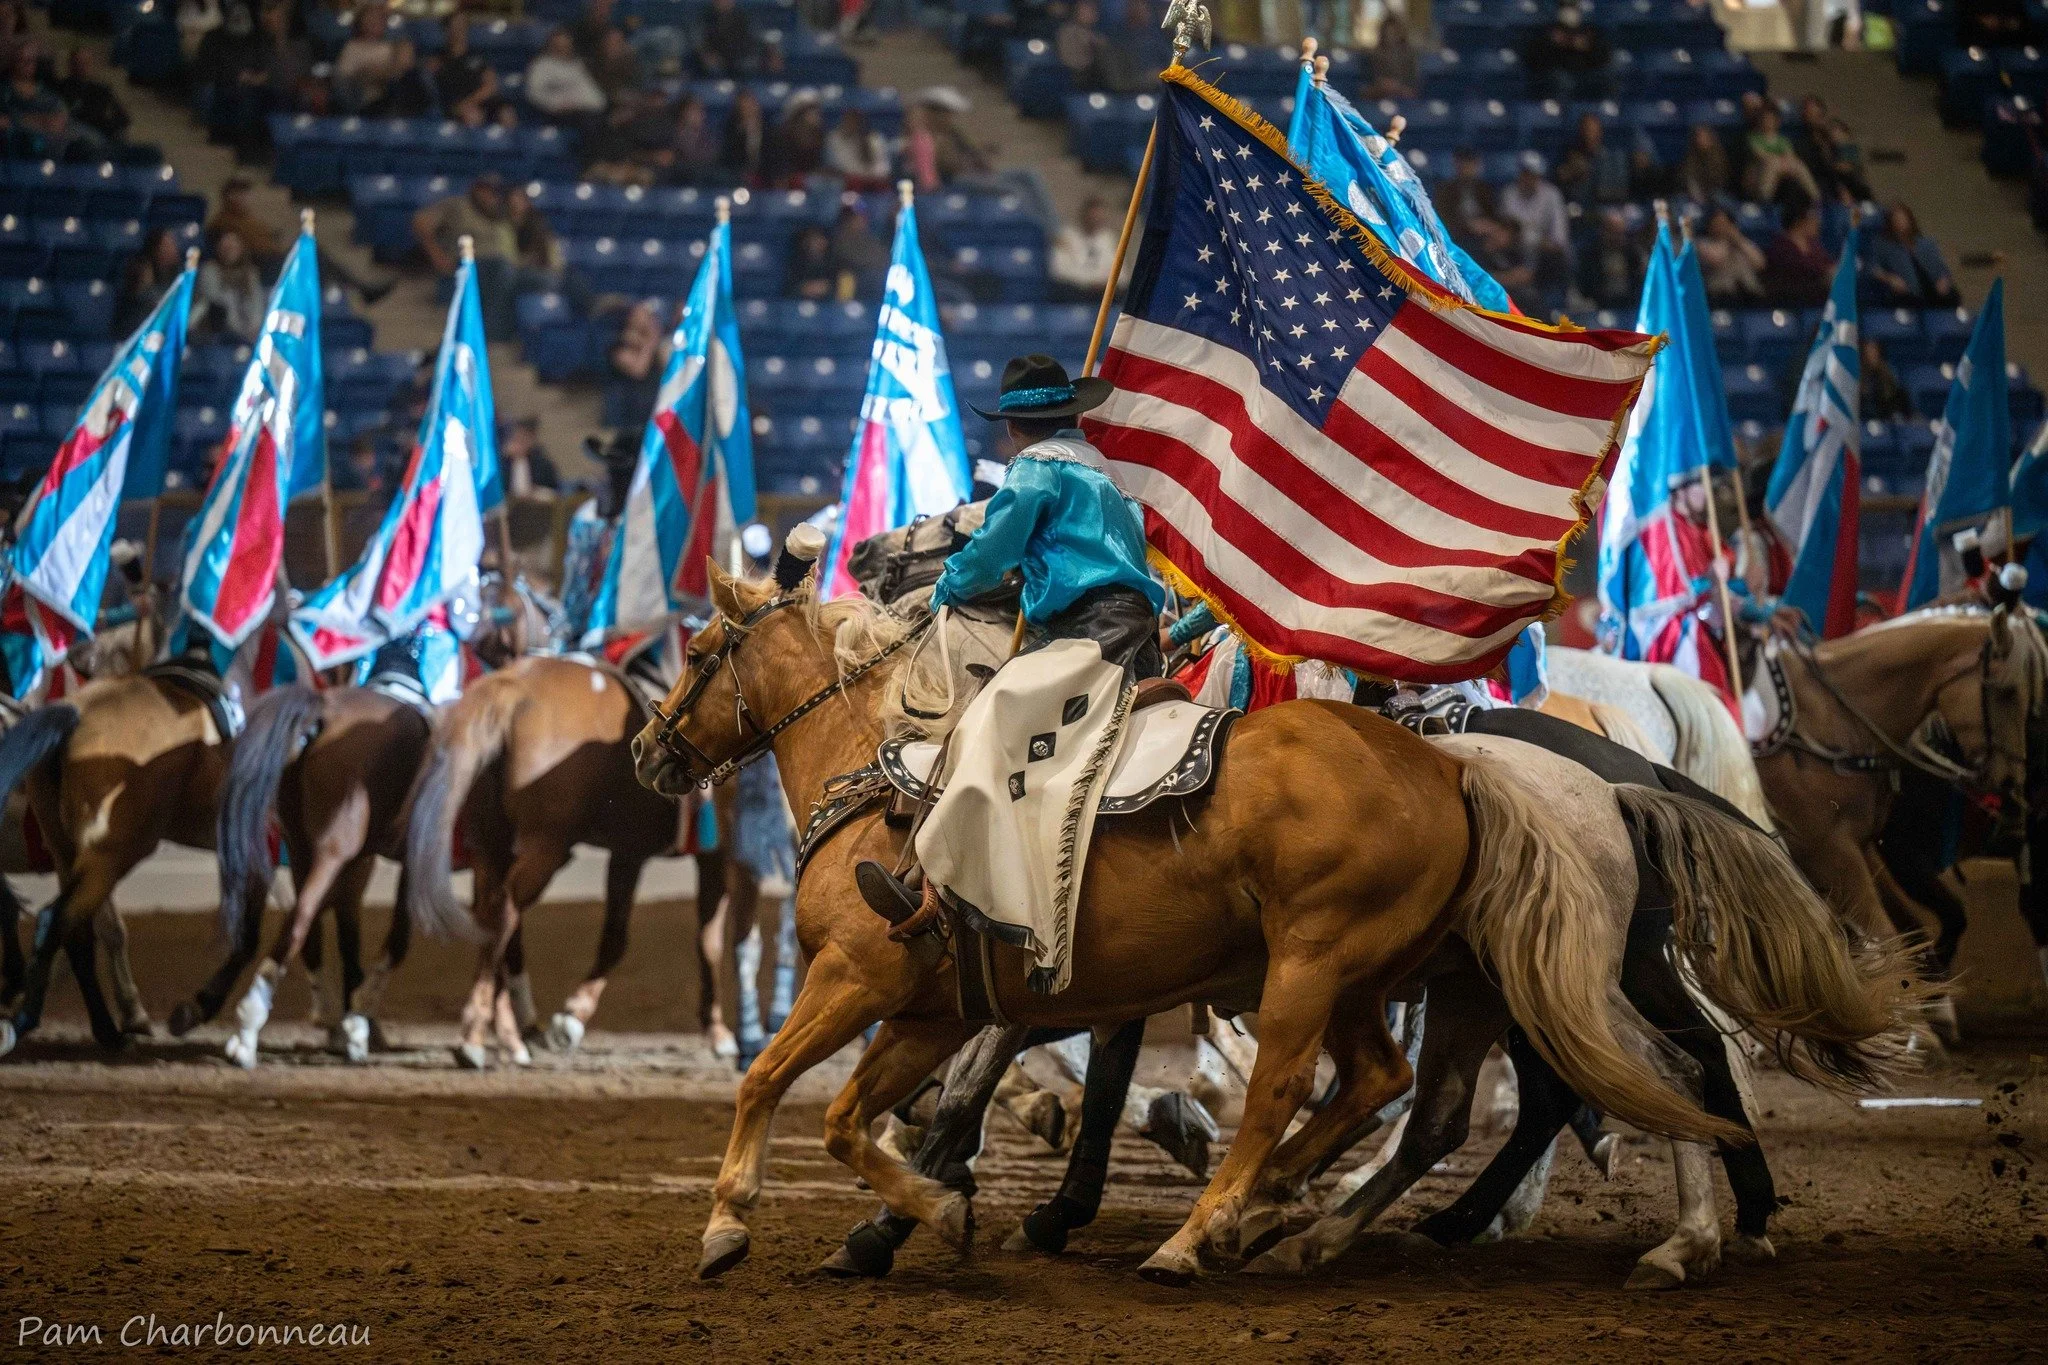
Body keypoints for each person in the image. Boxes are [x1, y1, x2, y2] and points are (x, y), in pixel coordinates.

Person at [853, 355, 1165, 928]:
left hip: (1089, 627)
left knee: (985, 722)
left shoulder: (1034, 469)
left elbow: (994, 547)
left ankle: (941, 888)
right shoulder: (1102, 470)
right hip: (1137, 629)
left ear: (1013, 427)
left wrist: (948, 583)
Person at [1498, 150, 1571, 305]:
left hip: (1544, 257)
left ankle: (1561, 302)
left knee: (1559, 258)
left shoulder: (1552, 195)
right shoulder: (1509, 194)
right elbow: (1509, 233)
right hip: (1517, 253)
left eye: (1533, 174)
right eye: (1525, 173)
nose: (1529, 178)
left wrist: (1534, 240)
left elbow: (1559, 240)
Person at [1862, 201, 1959, 307]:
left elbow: (1942, 268)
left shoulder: (1926, 244)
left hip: (1934, 290)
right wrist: (1890, 279)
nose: (1901, 222)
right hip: (1908, 294)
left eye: (1903, 218)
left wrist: (1944, 279)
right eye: (1897, 219)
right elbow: (1872, 268)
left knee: (1952, 295)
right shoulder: (1884, 246)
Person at [332, 5, 415, 115]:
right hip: (364, 99)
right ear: (361, 21)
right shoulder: (352, 47)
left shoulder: (392, 47)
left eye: (379, 18)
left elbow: (402, 70)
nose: (375, 22)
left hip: (392, 94)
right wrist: (374, 73)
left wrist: (385, 72)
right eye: (370, 18)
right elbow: (346, 77)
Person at [1524, 0, 1611, 101]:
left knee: (1608, 74)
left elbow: (1603, 54)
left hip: (1586, 67)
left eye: (1573, 6)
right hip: (1558, 69)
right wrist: (1555, 44)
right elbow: (1534, 58)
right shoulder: (1547, 28)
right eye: (1566, 6)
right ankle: (1561, 113)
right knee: (1563, 81)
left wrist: (1586, 47)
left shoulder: (1589, 28)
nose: (1570, 12)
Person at [193, 230, 267, 342]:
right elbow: (218, 304)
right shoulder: (209, 270)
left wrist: (255, 328)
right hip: (221, 335)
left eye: (234, 246)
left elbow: (257, 303)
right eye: (226, 246)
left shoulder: (250, 273)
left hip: (251, 334)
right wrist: (242, 333)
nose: (230, 250)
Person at [1744, 102, 1820, 211]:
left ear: (1777, 121)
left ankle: (1816, 199)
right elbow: (1761, 156)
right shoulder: (1753, 138)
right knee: (1772, 163)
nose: (1768, 122)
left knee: (1798, 164)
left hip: (1781, 174)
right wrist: (1779, 162)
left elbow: (1789, 156)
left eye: (1771, 119)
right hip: (1757, 175)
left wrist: (1782, 164)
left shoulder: (1782, 140)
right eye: (1765, 119)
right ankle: (1764, 201)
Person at [608, 299, 669, 432]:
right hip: (631, 411)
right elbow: (639, 369)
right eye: (643, 315)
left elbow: (666, 366)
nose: (649, 320)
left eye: (650, 316)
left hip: (654, 405)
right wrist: (651, 339)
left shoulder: (656, 344)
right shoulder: (620, 347)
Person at [1554, 112, 1637, 209]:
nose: (1588, 135)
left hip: (1609, 209)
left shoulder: (1614, 159)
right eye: (1585, 130)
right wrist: (1572, 176)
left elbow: (1618, 191)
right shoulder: (1568, 157)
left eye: (1591, 131)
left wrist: (1588, 172)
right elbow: (1558, 190)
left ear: (1600, 133)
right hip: (1577, 209)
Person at [432, 11, 499, 127]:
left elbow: (491, 86)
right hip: (453, 107)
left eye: (463, 25)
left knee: (506, 113)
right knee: (472, 115)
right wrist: (461, 106)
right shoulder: (438, 60)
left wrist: (471, 102)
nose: (460, 29)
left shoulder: (477, 58)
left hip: (477, 103)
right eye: (456, 25)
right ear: (447, 30)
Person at [1763, 200, 1834, 307]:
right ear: (1798, 221)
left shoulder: (1814, 245)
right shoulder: (1781, 246)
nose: (1817, 222)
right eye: (1811, 218)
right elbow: (1799, 269)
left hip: (1818, 297)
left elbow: (1828, 264)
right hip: (1791, 299)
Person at [524, 28, 606, 122]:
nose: (562, 49)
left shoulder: (577, 65)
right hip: (553, 114)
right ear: (551, 46)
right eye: (558, 46)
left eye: (565, 45)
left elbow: (595, 97)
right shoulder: (540, 66)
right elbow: (533, 93)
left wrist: (588, 105)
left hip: (582, 111)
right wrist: (556, 105)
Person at [116, 227, 184, 335]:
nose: (173, 248)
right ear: (155, 249)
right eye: (167, 245)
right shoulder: (141, 270)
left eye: (173, 244)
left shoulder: (179, 274)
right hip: (137, 333)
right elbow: (141, 302)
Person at [1049, 195, 1117, 303]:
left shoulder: (1108, 239)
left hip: (1102, 291)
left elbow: (1119, 273)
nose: (1096, 220)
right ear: (1084, 216)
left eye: (1099, 217)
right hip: (1075, 291)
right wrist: (1089, 282)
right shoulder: (1066, 237)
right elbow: (1059, 271)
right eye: (1093, 217)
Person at [1693, 206, 1767, 303]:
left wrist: (1738, 240)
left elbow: (1760, 263)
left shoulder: (1741, 243)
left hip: (1749, 296)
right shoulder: (1702, 244)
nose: (1722, 226)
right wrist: (1727, 240)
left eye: (1725, 223)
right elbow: (1717, 260)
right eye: (1718, 223)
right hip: (1719, 297)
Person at [1576, 208, 1646, 311]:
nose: (1617, 238)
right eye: (1613, 233)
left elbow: (1638, 283)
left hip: (1628, 306)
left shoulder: (1632, 254)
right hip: (1599, 306)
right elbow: (1585, 286)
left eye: (1620, 234)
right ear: (1603, 231)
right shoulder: (1590, 254)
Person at [53, 46, 127, 142]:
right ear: (70, 65)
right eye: (78, 63)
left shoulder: (101, 90)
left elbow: (122, 117)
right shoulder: (61, 88)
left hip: (99, 132)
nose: (81, 67)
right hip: (75, 131)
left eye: (85, 63)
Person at [1438, 146, 1497, 245]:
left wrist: (1489, 225)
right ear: (1457, 165)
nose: (1467, 168)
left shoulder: (1484, 189)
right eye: (1464, 164)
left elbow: (1493, 213)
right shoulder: (1446, 190)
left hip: (1484, 233)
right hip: (1458, 234)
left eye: (1470, 164)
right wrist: (1468, 225)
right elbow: (1444, 219)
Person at [765, 94, 826, 184]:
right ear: (800, 114)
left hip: (811, 179)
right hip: (788, 180)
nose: (815, 115)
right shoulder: (783, 135)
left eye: (816, 112)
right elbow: (780, 167)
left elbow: (817, 165)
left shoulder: (819, 135)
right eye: (811, 111)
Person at [824, 107, 890, 186]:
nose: (850, 126)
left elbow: (884, 169)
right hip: (847, 183)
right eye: (848, 122)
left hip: (871, 183)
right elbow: (835, 167)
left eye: (854, 122)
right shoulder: (835, 139)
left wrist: (866, 177)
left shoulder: (874, 140)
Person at [1362, 12, 1419, 100]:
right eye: (1388, 32)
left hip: (1404, 100)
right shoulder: (1373, 55)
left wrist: (1398, 87)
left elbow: (1414, 88)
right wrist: (1383, 86)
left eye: (1395, 32)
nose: (1391, 35)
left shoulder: (1410, 55)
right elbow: (1365, 89)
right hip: (1378, 99)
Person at [1055, 0, 1111, 90]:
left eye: (1093, 10)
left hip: (1093, 78)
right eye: (1087, 9)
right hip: (1073, 77)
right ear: (1077, 11)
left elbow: (1106, 48)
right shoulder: (1067, 31)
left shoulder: (1097, 34)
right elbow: (1071, 61)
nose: (1092, 13)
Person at [500, 416, 560, 496]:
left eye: (523, 440)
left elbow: (553, 487)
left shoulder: (541, 463)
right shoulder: (503, 463)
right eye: (517, 439)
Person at [719, 87, 767, 182]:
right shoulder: (730, 134)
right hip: (737, 179)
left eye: (750, 104)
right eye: (744, 106)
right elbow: (728, 160)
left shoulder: (769, 133)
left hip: (765, 180)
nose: (748, 109)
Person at [1678, 123, 1732, 205]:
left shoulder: (1720, 158)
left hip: (1716, 194)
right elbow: (1689, 180)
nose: (1702, 140)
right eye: (1699, 136)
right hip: (1694, 195)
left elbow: (1721, 181)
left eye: (1705, 137)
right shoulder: (1690, 159)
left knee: (1721, 200)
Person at [700, 0, 757, 76]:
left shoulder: (743, 19)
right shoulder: (705, 19)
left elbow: (749, 43)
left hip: (739, 61)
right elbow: (701, 42)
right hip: (712, 65)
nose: (722, 2)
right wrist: (707, 54)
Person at [1860, 336, 1911, 421]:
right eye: (1869, 348)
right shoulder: (1852, 379)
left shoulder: (1886, 376)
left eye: (1875, 348)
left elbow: (1898, 407)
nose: (1873, 353)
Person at [783, 225, 840, 301]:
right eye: (813, 240)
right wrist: (803, 288)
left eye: (819, 240)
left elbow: (842, 287)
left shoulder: (835, 262)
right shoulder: (795, 263)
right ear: (805, 242)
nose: (816, 243)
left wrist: (827, 288)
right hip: (800, 303)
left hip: (828, 304)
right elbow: (787, 289)